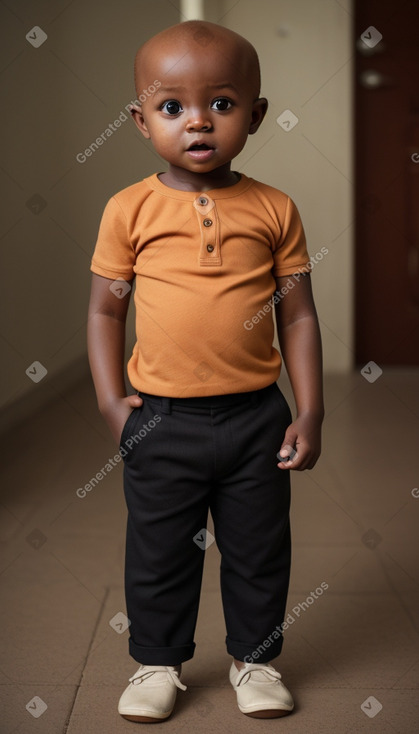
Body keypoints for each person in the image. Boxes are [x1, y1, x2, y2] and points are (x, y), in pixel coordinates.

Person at [87, 19, 324, 723]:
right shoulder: (128, 209)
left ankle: (255, 661)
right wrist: (110, 402)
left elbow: (299, 317)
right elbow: (104, 313)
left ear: (253, 114)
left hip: (257, 416)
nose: (197, 123)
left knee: (258, 548)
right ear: (138, 120)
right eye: (171, 107)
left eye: (220, 104)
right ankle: (155, 664)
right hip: (159, 419)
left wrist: (308, 410)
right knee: (159, 551)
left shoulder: (274, 208)